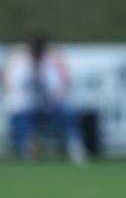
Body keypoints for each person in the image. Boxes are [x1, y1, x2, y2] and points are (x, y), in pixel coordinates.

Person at [3, 34, 87, 163]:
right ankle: (27, 148)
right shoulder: (19, 61)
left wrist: (48, 93)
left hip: (48, 107)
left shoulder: (51, 62)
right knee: (21, 121)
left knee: (68, 115)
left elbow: (58, 88)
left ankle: (75, 147)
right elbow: (14, 87)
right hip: (25, 108)